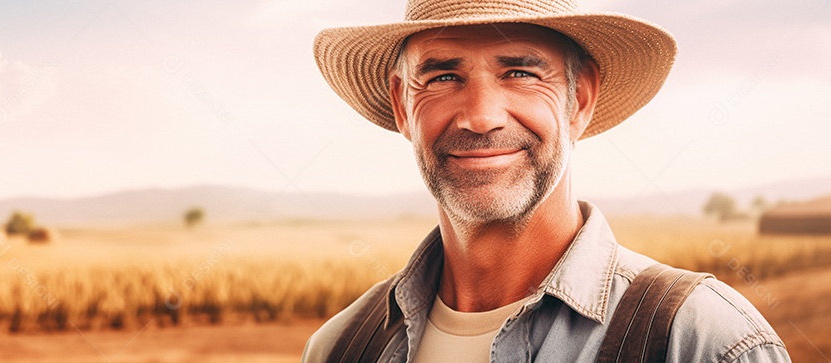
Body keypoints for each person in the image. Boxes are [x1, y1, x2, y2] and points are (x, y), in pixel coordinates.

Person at [303, 0, 791, 361]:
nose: (481, 117)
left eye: (519, 72)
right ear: (401, 104)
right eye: (443, 78)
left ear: (580, 99)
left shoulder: (701, 341)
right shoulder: (342, 347)